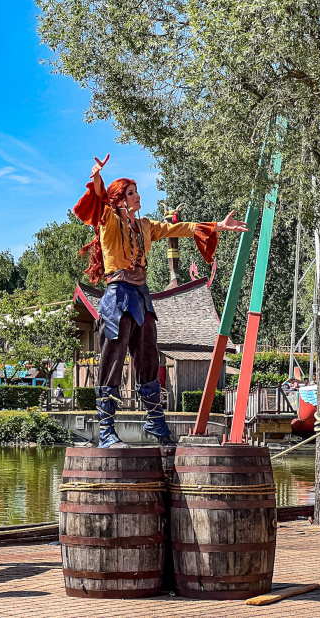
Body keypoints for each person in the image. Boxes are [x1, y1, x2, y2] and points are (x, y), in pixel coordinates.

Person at [74, 154, 248, 448]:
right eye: (131, 192)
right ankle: (106, 431)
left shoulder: (145, 226)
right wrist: (97, 178)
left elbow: (180, 228)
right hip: (117, 297)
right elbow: (101, 200)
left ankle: (156, 423)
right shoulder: (109, 220)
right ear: (119, 200)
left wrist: (218, 225)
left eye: (137, 190)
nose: (138, 195)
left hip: (141, 297)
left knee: (148, 358)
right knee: (112, 360)